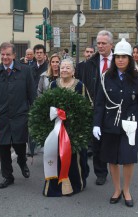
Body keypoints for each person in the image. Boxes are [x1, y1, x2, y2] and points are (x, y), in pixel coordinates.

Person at [93, 38, 138, 207]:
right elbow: (99, 102)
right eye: (117, 57)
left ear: (130, 59)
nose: (120, 60)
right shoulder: (106, 77)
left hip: (131, 124)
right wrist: (96, 123)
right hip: (110, 123)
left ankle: (126, 189)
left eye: (124, 57)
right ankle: (116, 189)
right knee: (112, 158)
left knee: (128, 158)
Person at [0, 42, 36, 189]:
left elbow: (32, 94)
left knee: (20, 146)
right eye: (2, 54)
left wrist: (35, 115)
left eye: (8, 54)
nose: (5, 57)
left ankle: (22, 161)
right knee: (4, 149)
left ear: (14, 55)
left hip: (20, 116)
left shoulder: (25, 71)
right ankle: (8, 176)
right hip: (2, 118)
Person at [43, 58, 89, 197]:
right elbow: (46, 104)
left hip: (73, 129)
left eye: (67, 68)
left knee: (73, 156)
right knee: (54, 154)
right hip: (55, 127)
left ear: (73, 71)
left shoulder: (79, 86)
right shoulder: (52, 85)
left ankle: (74, 183)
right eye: (62, 67)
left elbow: (85, 107)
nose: (64, 70)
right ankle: (54, 184)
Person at [82, 30, 114, 185]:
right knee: (97, 143)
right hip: (95, 108)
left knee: (111, 141)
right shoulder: (90, 63)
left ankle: (114, 167)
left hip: (115, 109)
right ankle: (100, 172)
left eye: (103, 43)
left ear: (111, 45)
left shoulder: (120, 61)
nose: (100, 46)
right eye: (98, 43)